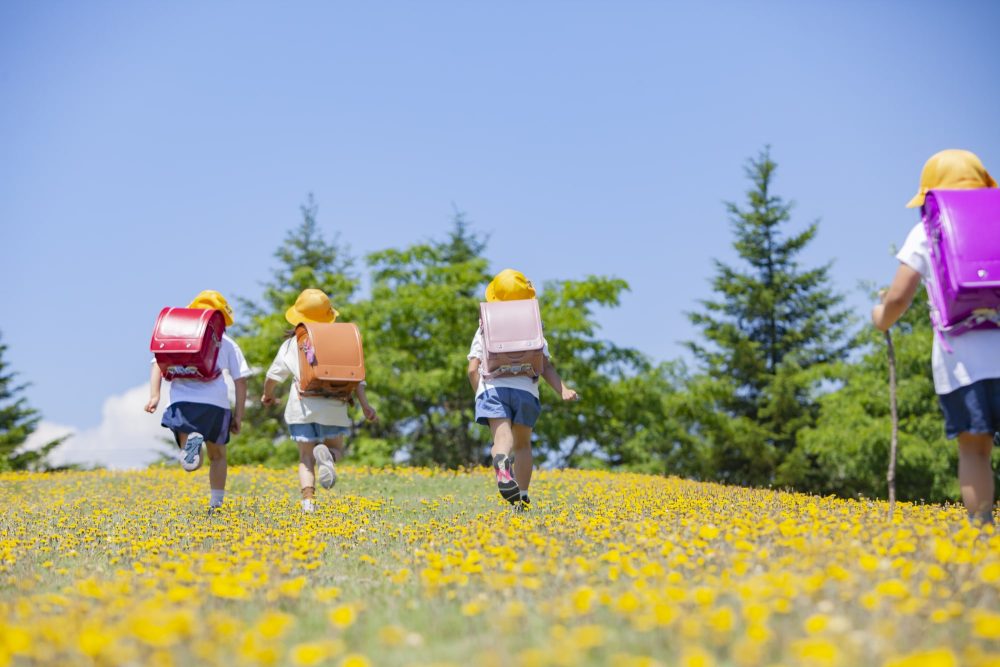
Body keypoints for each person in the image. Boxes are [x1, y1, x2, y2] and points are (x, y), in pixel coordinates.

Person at [872, 149, 1000, 526]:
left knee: (975, 451)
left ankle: (983, 533)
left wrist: (880, 318)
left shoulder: (928, 230)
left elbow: (898, 298)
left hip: (963, 364)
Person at [467, 269, 578, 509]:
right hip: (525, 390)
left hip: (493, 387)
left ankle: (501, 461)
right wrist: (563, 389)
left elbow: (472, 369)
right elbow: (545, 365)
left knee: (502, 437)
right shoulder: (533, 327)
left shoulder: (485, 326)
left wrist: (480, 392)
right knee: (523, 444)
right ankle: (523, 497)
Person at [261, 288, 377, 513]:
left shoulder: (292, 344)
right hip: (334, 405)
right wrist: (365, 406)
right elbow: (357, 378)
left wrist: (268, 395)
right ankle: (328, 456)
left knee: (305, 457)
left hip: (302, 406)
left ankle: (308, 504)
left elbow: (272, 376)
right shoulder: (342, 340)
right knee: (337, 451)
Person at [145, 290, 249, 512]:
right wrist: (238, 415)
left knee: (192, 462)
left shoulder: (178, 335)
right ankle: (216, 504)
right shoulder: (226, 342)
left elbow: (157, 363)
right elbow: (241, 381)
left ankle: (191, 442)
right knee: (218, 456)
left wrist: (155, 396)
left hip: (182, 403)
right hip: (215, 406)